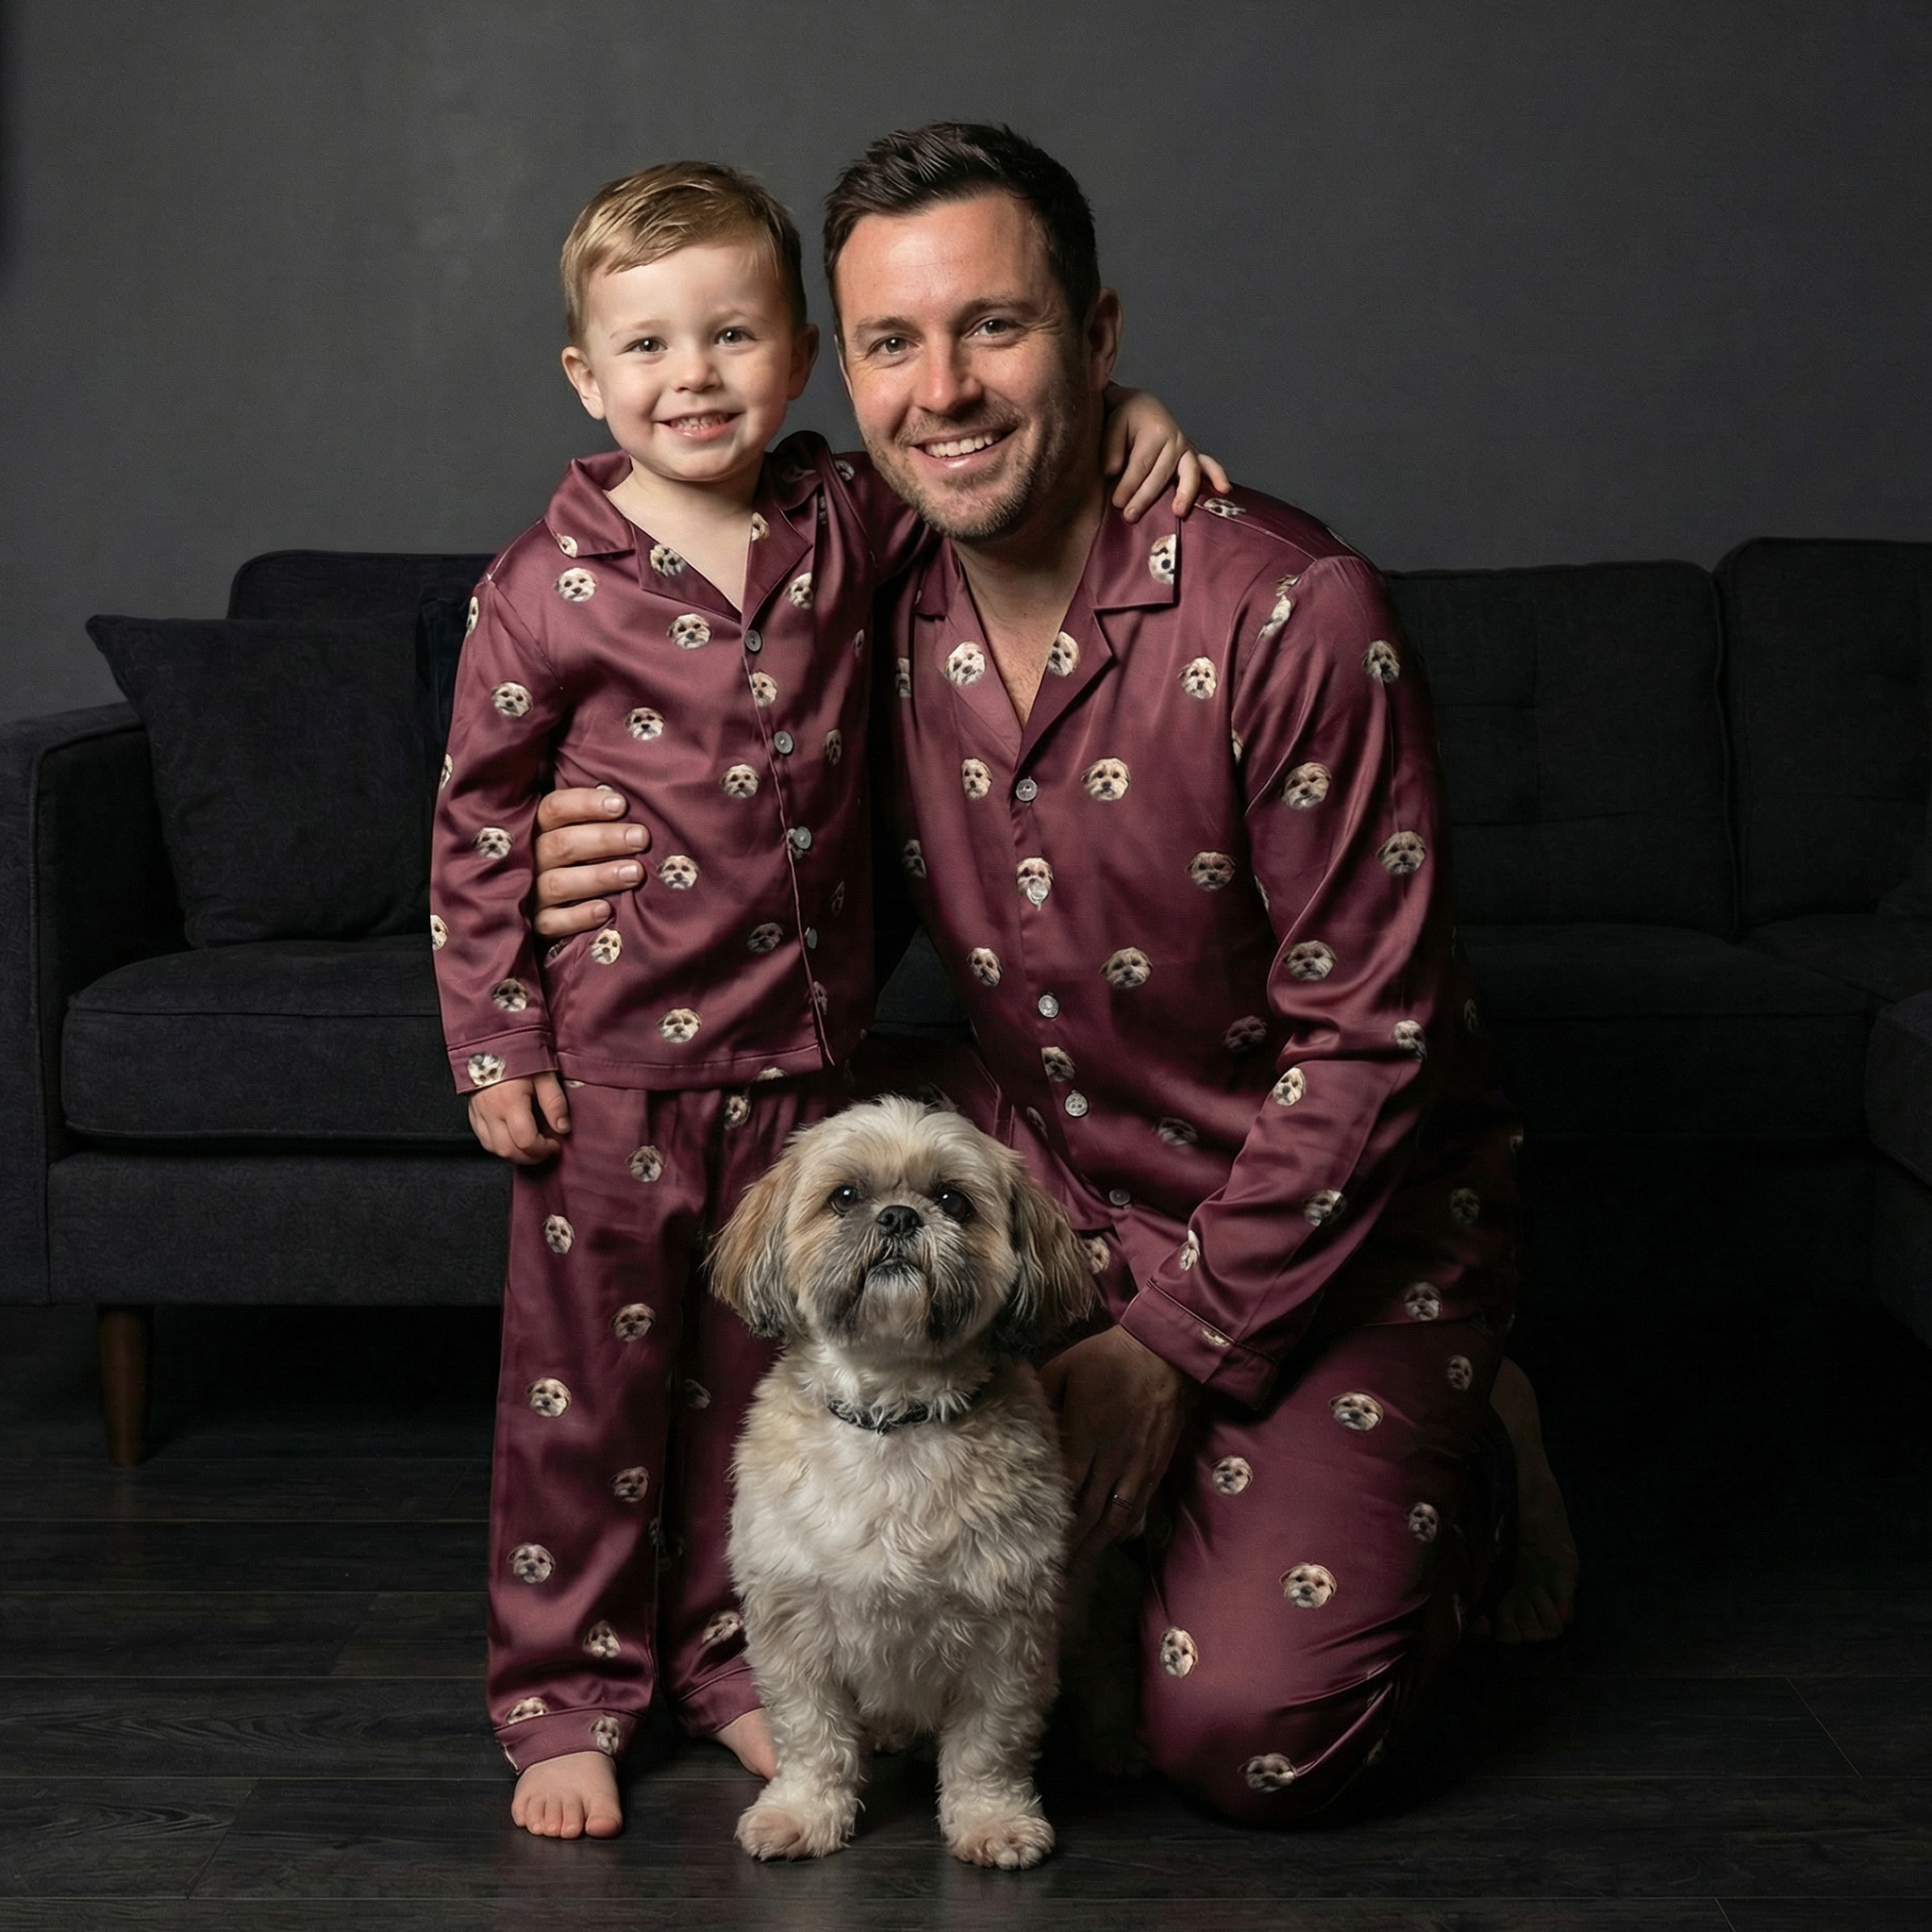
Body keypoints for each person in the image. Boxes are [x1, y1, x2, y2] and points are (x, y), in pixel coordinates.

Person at [528, 124, 1579, 1827]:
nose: (943, 388)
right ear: (841, 372)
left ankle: (1474, 1444)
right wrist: (557, 856)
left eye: (995, 328)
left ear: (1098, 339)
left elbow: (1373, 1048)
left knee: (1242, 1731)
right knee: (754, 1141)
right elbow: (678, 724)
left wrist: (1168, 1347)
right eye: (890, 343)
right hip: (1045, 1167)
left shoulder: (1297, 614)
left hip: (1336, 1206)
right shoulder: (858, 596)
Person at [429, 158, 1214, 1841]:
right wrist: (496, 1038)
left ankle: (728, 1663)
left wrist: (1123, 400)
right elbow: (481, 820)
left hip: (803, 1072)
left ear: (797, 360)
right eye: (645, 347)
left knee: (745, 1388)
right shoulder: (542, 585)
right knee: (588, 1404)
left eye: (730, 336)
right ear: (585, 376)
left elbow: (986, 456)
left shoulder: (839, 519)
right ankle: (563, 1691)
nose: (690, 377)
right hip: (615, 1075)